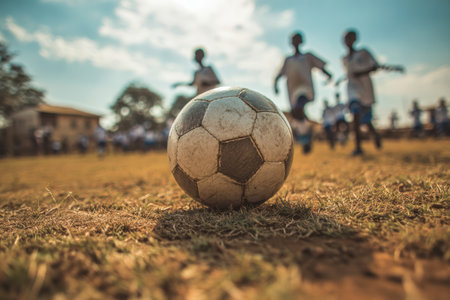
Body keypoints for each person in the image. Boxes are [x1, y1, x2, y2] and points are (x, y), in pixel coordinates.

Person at [274, 31, 332, 154]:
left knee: (299, 107)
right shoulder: (288, 60)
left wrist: (328, 74)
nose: (295, 42)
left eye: (297, 39)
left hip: (306, 89)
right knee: (297, 114)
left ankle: (306, 135)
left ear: (301, 41)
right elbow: (279, 74)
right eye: (293, 39)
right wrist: (275, 84)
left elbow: (320, 66)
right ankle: (307, 135)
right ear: (290, 43)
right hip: (292, 92)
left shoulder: (307, 56)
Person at [342, 29, 382, 155]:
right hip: (352, 90)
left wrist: (361, 72)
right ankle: (358, 147)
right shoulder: (344, 58)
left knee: (365, 120)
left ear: (355, 39)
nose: (347, 40)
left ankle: (374, 134)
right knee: (355, 115)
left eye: (350, 38)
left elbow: (375, 66)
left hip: (365, 89)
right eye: (345, 38)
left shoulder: (363, 52)